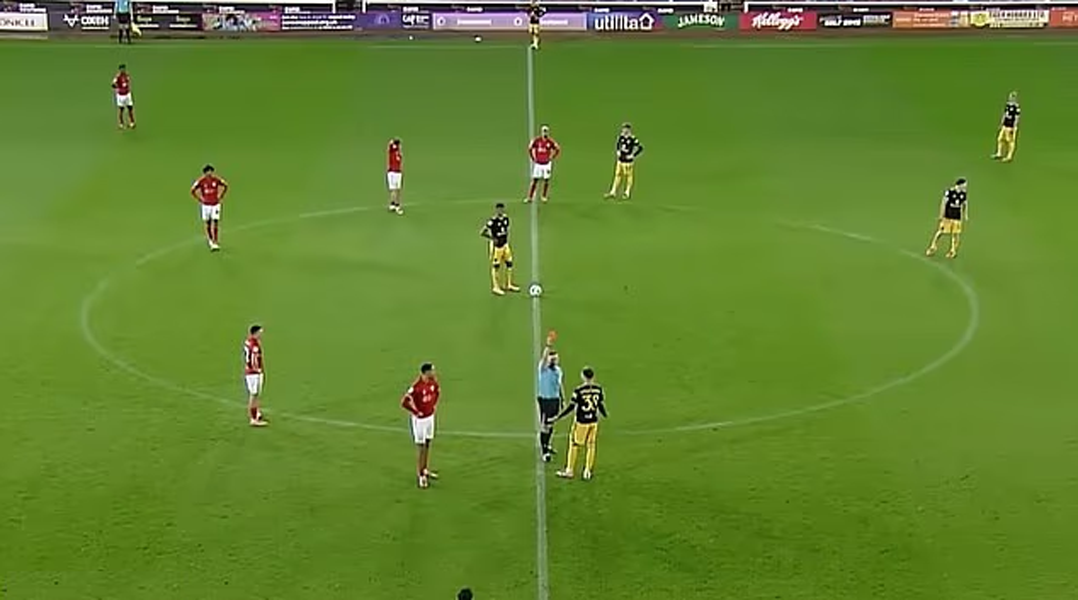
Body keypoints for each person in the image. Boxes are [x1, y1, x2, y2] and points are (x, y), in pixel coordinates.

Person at [555, 367, 607, 481]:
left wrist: (559, 416)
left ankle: (569, 470)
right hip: (593, 421)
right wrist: (604, 414)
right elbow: (600, 404)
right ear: (593, 377)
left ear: (583, 376)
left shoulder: (579, 390)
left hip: (581, 422)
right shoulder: (598, 389)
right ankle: (587, 471)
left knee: (574, 444)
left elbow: (571, 406)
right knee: (591, 445)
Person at [401, 363, 441, 489]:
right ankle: (421, 475)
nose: (434, 373)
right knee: (421, 446)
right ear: (426, 372)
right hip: (420, 421)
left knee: (428, 443)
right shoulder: (416, 387)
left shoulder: (433, 383)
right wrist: (416, 412)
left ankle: (425, 469)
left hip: (430, 417)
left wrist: (433, 405)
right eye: (432, 371)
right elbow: (404, 402)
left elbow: (437, 392)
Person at [480, 203, 519, 296]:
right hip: (497, 247)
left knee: (509, 263)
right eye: (499, 209)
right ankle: (495, 287)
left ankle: (508, 284)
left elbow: (506, 230)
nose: (500, 211)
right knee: (496, 266)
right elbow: (482, 232)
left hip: (505, 245)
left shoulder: (506, 219)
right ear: (496, 210)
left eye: (501, 209)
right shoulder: (492, 221)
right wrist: (492, 238)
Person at [536, 330, 563, 462]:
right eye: (553, 359)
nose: (555, 360)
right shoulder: (543, 368)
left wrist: (562, 398)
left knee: (551, 424)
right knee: (545, 425)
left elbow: (559, 385)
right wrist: (549, 345)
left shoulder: (558, 371)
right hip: (545, 400)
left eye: (556, 359)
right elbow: (544, 357)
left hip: (555, 400)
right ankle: (544, 451)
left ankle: (548, 444)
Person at [926, 178, 968, 259]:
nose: (965, 187)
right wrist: (941, 215)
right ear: (959, 185)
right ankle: (933, 247)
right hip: (948, 215)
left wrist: (965, 214)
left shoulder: (963, 194)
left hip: (957, 216)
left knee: (955, 234)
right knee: (941, 231)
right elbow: (943, 203)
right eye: (964, 185)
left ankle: (952, 251)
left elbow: (965, 204)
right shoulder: (950, 192)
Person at [190, 165, 229, 251]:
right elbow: (192, 190)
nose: (210, 173)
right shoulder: (201, 181)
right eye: (208, 171)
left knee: (215, 222)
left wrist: (221, 196)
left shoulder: (216, 180)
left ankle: (215, 241)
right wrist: (200, 199)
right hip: (206, 205)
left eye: (211, 171)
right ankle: (210, 240)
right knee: (208, 223)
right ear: (205, 173)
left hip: (215, 204)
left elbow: (225, 185)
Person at [606, 123, 644, 200]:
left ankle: (627, 192)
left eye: (626, 129)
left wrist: (633, 155)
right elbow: (618, 145)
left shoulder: (633, 139)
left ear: (629, 130)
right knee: (617, 175)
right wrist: (618, 151)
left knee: (628, 176)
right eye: (623, 129)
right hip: (620, 160)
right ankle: (613, 192)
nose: (624, 130)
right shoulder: (620, 137)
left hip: (628, 162)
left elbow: (640, 148)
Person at [525, 125, 560, 204]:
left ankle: (544, 196)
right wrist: (532, 157)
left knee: (546, 180)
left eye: (546, 131)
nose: (545, 133)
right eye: (544, 131)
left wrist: (552, 157)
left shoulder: (550, 141)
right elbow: (530, 148)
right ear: (541, 132)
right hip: (538, 164)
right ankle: (530, 197)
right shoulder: (537, 140)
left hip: (547, 164)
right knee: (535, 180)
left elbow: (557, 148)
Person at [243, 325, 268, 427]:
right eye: (260, 333)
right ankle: (253, 419)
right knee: (253, 395)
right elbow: (253, 359)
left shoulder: (248, 342)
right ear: (255, 333)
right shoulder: (254, 345)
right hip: (253, 373)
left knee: (256, 394)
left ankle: (256, 413)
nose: (261, 335)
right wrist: (257, 369)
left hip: (250, 372)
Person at [992, 91, 1021, 163]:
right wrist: (1001, 123)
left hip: (1010, 126)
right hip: (1005, 125)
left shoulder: (1016, 107)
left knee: (1009, 141)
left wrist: (1014, 127)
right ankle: (999, 153)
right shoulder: (1008, 105)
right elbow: (1004, 115)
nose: (1011, 98)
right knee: (1000, 138)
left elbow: (1017, 118)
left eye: (1012, 97)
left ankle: (1009, 156)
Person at [112, 64, 136, 130]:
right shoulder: (117, 77)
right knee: (121, 110)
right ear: (119, 70)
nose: (123, 70)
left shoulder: (127, 75)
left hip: (127, 94)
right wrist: (117, 88)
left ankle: (132, 123)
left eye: (124, 68)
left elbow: (127, 83)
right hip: (121, 96)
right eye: (121, 69)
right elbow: (113, 84)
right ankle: (121, 124)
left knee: (130, 108)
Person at [387, 138, 404, 215]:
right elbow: (390, 145)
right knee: (394, 189)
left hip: (398, 172)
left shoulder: (399, 153)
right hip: (392, 172)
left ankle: (393, 204)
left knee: (397, 189)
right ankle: (397, 205)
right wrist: (392, 142)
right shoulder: (392, 151)